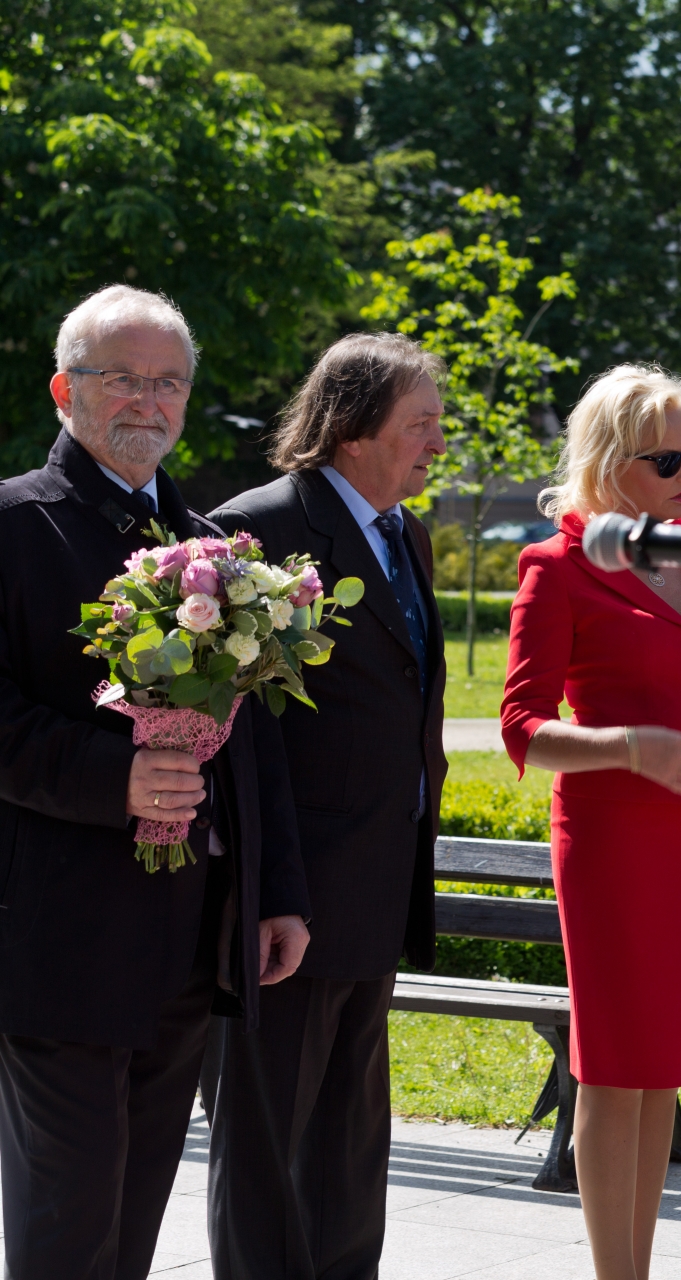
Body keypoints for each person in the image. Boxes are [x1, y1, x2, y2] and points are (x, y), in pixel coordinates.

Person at [0, 285, 311, 1278]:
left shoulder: (215, 550)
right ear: (64, 390)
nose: (149, 400)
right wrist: (117, 778)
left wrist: (276, 893)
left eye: (169, 381)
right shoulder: (13, 526)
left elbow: (256, 745)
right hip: (59, 943)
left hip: (188, 936)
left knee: (132, 1221)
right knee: (70, 1228)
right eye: (122, 378)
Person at [501, 364, 681, 1280]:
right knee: (615, 1068)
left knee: (666, 1069)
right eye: (668, 461)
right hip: (615, 850)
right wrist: (627, 747)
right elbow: (522, 729)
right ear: (611, 463)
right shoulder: (556, 567)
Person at [204, 332, 449, 1278]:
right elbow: (240, 741)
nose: (437, 444)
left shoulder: (406, 535)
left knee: (351, 1144)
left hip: (379, 889)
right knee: (266, 1153)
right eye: (420, 424)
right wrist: (275, 895)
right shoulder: (255, 532)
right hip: (288, 904)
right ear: (353, 430)